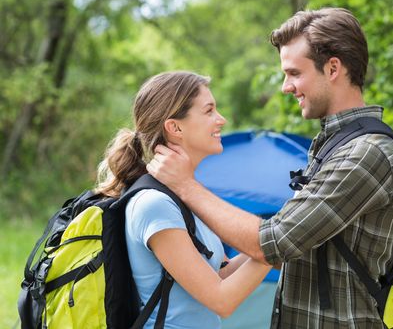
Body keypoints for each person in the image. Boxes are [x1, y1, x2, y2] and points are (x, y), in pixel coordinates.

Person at [147, 8, 393, 328]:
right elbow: (289, 237)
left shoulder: (369, 154)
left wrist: (186, 185)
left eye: (295, 73)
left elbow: (276, 240)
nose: (286, 86)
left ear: (333, 68)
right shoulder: (334, 146)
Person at [95, 71, 271, 328]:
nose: (220, 119)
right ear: (175, 127)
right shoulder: (154, 205)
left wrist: (279, 231)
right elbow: (222, 300)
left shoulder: (184, 193)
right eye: (209, 111)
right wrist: (281, 247)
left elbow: (219, 274)